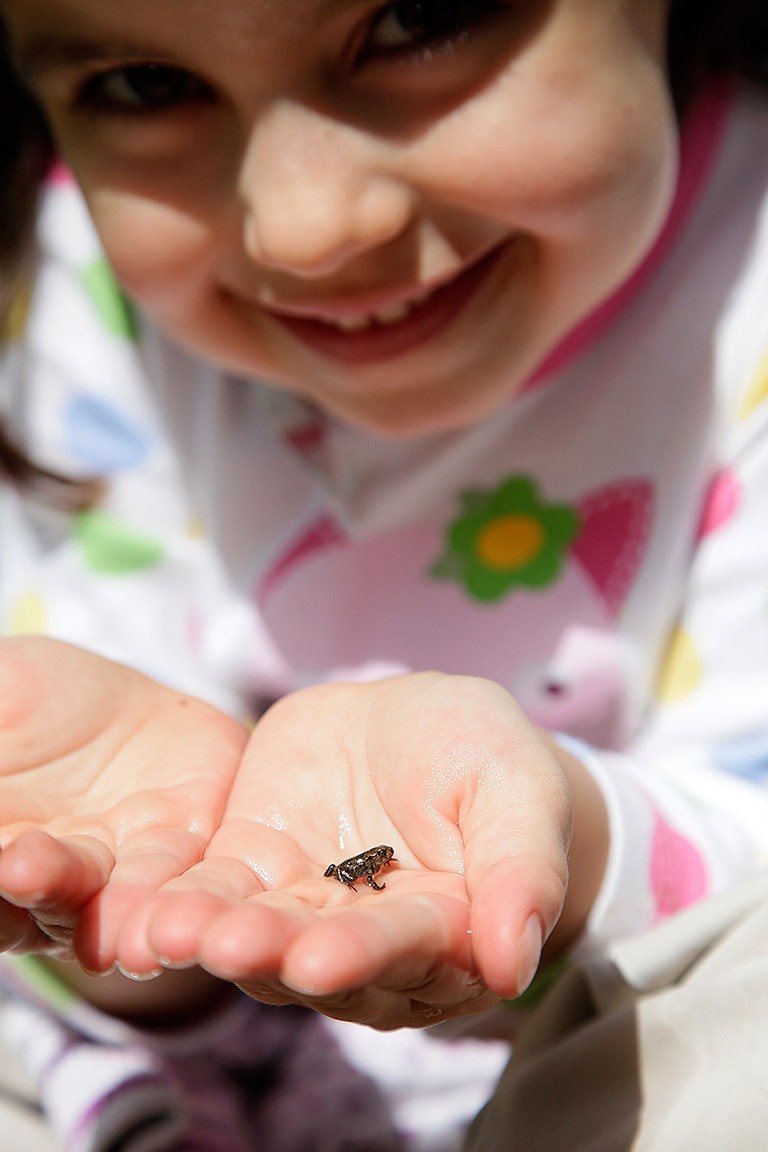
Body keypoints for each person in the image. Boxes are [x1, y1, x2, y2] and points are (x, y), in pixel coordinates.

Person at [0, 0, 767, 1147]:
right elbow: (130, 868)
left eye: (422, 19)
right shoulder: (97, 290)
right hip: (213, 1079)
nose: (305, 228)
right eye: (145, 88)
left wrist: (562, 837)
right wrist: (120, 929)